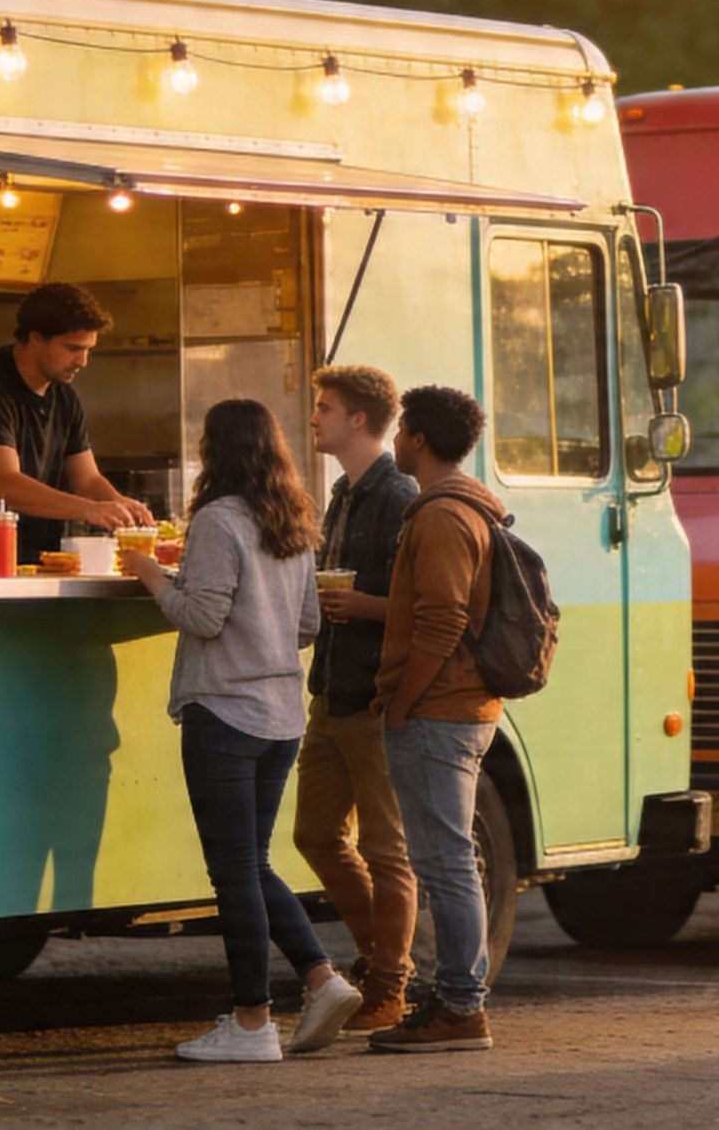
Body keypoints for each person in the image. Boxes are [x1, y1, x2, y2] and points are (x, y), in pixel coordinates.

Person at [122, 399, 362, 1063]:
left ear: (214, 450)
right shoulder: (292, 520)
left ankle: (253, 1023)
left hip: (223, 713)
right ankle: (320, 977)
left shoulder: (218, 520)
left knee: (232, 872)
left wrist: (149, 576)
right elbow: (308, 625)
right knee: (251, 864)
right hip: (280, 717)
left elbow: (200, 617)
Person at [368, 384, 503, 1053]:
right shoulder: (468, 507)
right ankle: (455, 1000)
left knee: (445, 861)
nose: (394, 442)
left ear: (418, 439)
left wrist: (402, 700)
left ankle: (459, 1005)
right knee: (448, 858)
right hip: (458, 705)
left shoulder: (443, 516)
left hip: (439, 709)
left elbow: (444, 618)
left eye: (399, 431)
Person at [291, 366, 421, 1032]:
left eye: (325, 408)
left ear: (359, 421)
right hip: (330, 692)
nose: (315, 418)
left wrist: (363, 603)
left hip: (374, 698)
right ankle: (380, 961)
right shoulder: (340, 493)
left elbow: (434, 603)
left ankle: (390, 983)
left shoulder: (402, 497)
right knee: (313, 834)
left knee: (386, 849)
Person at [0, 282, 154, 563]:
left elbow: (87, 478)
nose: (83, 361)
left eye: (88, 350)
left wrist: (119, 504)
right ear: (36, 338)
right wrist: (89, 509)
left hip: (41, 559)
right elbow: (4, 484)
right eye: (73, 348)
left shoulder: (65, 397)